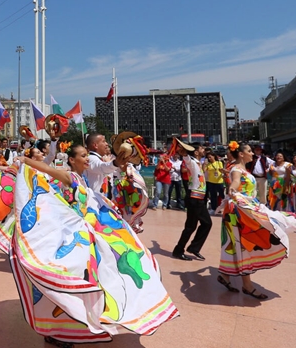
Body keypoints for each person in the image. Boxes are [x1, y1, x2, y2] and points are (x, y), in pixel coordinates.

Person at [12, 145, 178, 345]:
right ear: (72, 160)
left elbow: (104, 171)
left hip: (88, 232)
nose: (87, 159)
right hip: (74, 235)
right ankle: (57, 331)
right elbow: (47, 169)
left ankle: (84, 321)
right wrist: (25, 160)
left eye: (86, 155)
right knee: (71, 277)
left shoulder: (84, 179)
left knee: (98, 274)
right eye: (83, 156)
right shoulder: (69, 177)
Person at [216, 142, 296, 299]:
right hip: (239, 210)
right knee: (244, 244)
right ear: (241, 154)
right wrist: (232, 189)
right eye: (249, 151)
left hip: (246, 208)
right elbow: (235, 182)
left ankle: (225, 275)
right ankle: (246, 285)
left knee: (238, 244)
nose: (252, 154)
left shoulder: (242, 169)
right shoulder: (236, 169)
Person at [172, 141, 211, 261]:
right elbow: (187, 158)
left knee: (199, 225)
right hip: (194, 198)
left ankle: (189, 248)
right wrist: (184, 153)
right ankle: (182, 250)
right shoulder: (192, 161)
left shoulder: (198, 163)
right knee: (196, 225)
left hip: (199, 198)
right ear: (196, 152)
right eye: (201, 148)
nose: (203, 150)